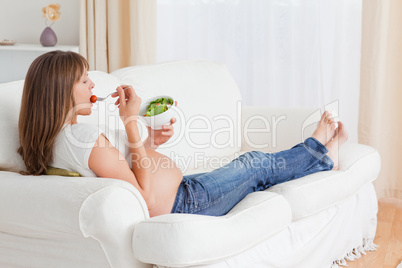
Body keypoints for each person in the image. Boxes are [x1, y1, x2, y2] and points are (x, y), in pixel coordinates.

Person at [18, 51, 348, 218]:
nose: (93, 85)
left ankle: (316, 151)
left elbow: (127, 171)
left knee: (252, 165)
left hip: (184, 191)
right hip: (186, 203)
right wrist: (131, 121)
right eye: (84, 80)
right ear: (60, 91)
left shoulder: (58, 141)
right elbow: (143, 200)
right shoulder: (85, 140)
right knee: (255, 163)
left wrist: (147, 142)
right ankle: (320, 154)